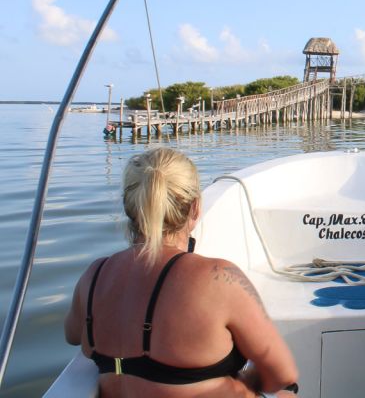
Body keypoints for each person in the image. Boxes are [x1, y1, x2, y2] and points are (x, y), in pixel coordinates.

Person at [64, 147, 299, 397]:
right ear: (196, 207)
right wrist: (245, 381)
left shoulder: (95, 275)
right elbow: (281, 374)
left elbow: (73, 335)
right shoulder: (219, 278)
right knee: (286, 390)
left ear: (129, 207)